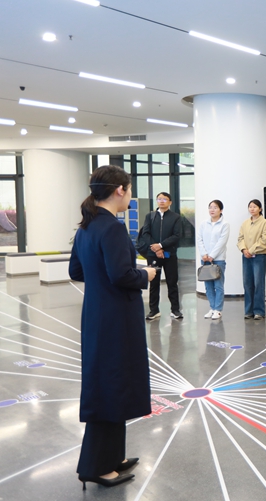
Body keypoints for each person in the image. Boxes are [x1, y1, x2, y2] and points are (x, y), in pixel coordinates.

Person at [69, 165, 157, 489]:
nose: (130, 195)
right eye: (130, 189)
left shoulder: (87, 228)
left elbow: (76, 270)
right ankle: (95, 466)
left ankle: (112, 457)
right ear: (120, 190)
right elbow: (122, 275)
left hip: (96, 315)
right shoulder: (113, 229)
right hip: (117, 319)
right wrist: (145, 275)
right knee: (110, 387)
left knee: (110, 383)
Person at [139, 192, 183, 320]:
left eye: (165, 199)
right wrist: (156, 248)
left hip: (170, 254)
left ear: (170, 202)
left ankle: (175, 310)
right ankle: (154, 310)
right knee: (154, 282)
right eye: (159, 199)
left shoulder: (175, 217)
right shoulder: (150, 216)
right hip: (153, 254)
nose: (161, 201)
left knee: (172, 282)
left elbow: (176, 236)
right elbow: (145, 233)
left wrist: (161, 245)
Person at [237, 199, 266, 320]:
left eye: (255, 207)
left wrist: (251, 250)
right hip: (246, 257)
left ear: (260, 209)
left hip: (259, 256)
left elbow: (265, 240)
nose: (252, 209)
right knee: (247, 284)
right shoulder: (245, 223)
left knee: (258, 284)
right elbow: (240, 238)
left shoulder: (265, 223)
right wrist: (243, 249)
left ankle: (259, 311)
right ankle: (248, 311)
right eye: (250, 207)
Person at [197, 200, 230, 320]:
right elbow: (199, 239)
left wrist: (212, 255)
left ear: (221, 210)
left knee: (218, 285)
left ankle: (218, 309)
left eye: (215, 207)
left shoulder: (224, 224)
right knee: (208, 286)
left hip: (218, 259)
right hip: (205, 259)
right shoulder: (203, 224)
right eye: (210, 207)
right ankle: (212, 308)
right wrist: (204, 254)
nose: (212, 210)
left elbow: (222, 242)